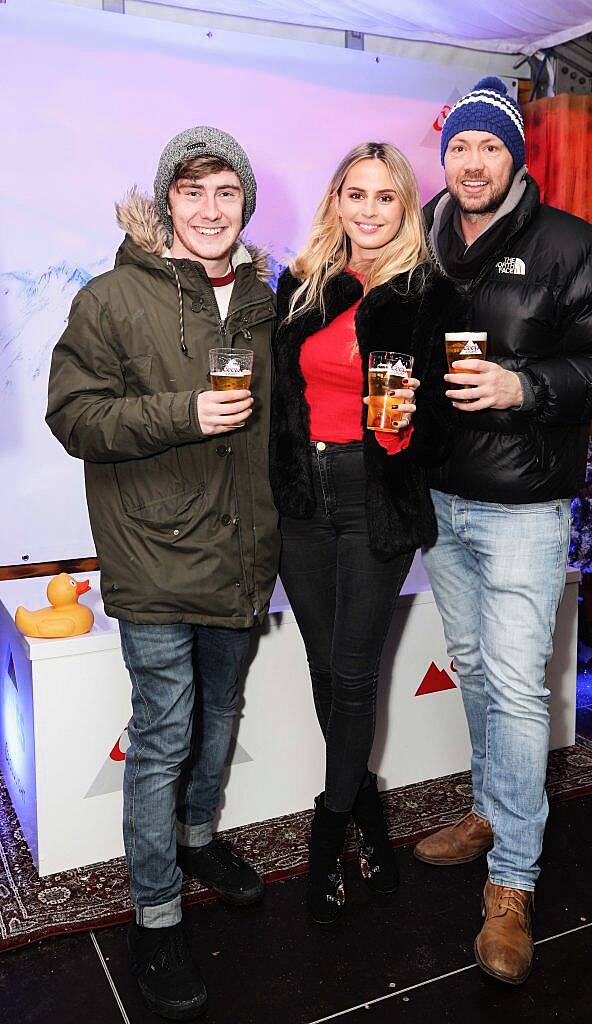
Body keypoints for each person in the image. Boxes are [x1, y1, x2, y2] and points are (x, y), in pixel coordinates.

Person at [414, 78, 592, 984]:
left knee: (514, 687)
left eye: (489, 146)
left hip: (524, 507)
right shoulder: (428, 240)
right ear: (444, 157)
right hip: (441, 499)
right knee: (474, 668)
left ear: (514, 155)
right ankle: (487, 809)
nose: (471, 162)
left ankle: (512, 881)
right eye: (459, 147)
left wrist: (525, 387)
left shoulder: (570, 246)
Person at [46, 126, 280, 1020]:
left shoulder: (264, 300)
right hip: (152, 552)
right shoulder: (111, 298)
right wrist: (184, 413)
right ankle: (154, 911)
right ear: (167, 204)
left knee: (220, 712)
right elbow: (75, 417)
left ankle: (196, 839)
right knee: (164, 731)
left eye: (226, 193)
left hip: (241, 553)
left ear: (244, 204)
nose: (210, 210)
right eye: (193, 193)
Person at [271, 142, 465, 923]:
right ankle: (370, 816)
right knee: (325, 668)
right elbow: (281, 398)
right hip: (300, 500)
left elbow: (452, 418)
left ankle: (327, 834)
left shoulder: (430, 295)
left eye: (385, 198)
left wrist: (411, 428)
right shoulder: (302, 285)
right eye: (356, 194)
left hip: (373, 494)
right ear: (336, 201)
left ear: (405, 207)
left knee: (353, 675)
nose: (369, 210)